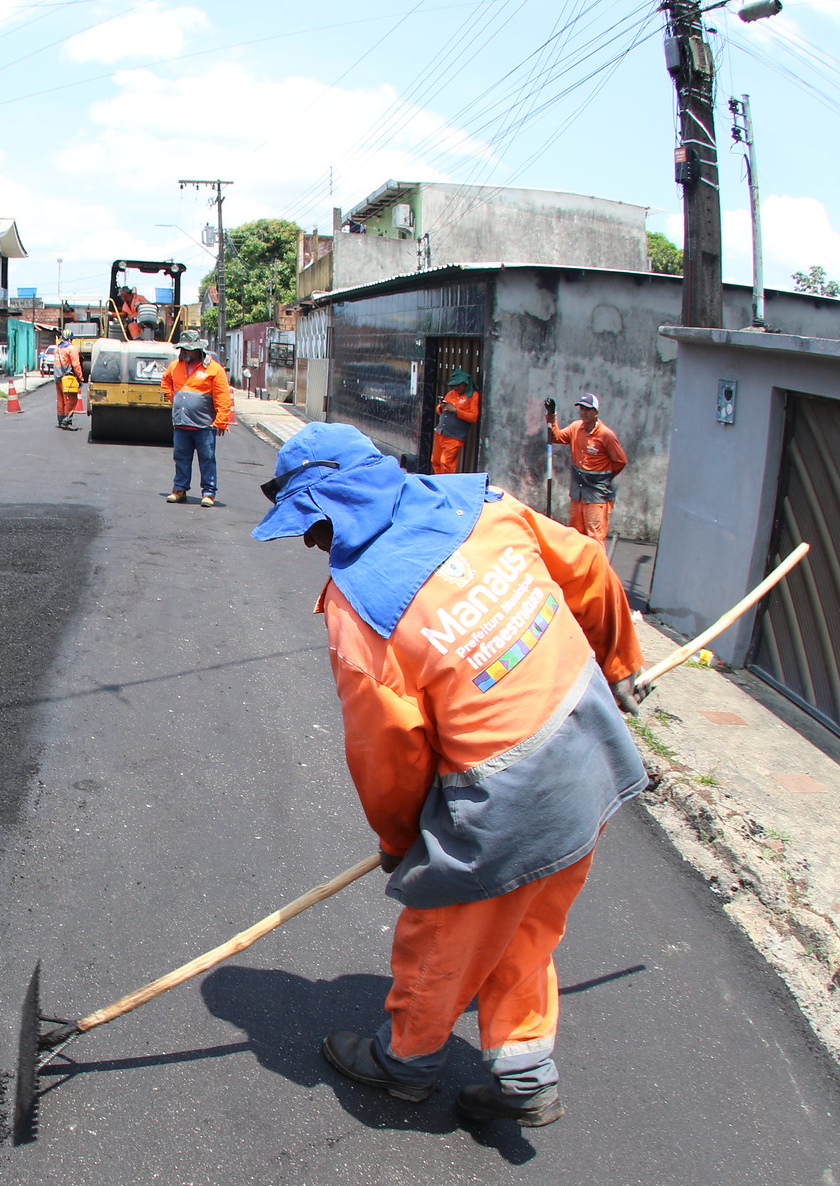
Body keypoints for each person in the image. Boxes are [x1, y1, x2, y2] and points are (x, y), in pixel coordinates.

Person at [252, 421, 647, 1127]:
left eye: (312, 522)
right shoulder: (485, 505)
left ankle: (403, 1062)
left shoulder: (360, 608)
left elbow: (388, 752)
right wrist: (620, 666)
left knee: (444, 925)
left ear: (338, 504)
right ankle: (524, 1070)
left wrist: (405, 844)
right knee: (526, 915)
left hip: (511, 789)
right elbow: (586, 565)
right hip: (591, 747)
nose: (312, 543)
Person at [162, 332, 233, 507]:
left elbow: (222, 396)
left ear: (198, 349)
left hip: (204, 425)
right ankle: (179, 489)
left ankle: (208, 492)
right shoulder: (175, 366)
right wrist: (176, 399)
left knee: (207, 458)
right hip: (181, 423)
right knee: (181, 458)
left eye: (189, 349)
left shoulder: (214, 369)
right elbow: (165, 382)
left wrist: (221, 420)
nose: (185, 352)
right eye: (183, 348)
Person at [546, 392, 627, 541]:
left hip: (596, 493)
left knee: (594, 535)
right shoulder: (576, 427)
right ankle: (577, 564)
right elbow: (556, 437)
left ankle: (596, 565)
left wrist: (602, 477)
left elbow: (620, 461)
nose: (584, 412)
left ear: (596, 412)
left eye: (588, 409)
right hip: (578, 491)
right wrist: (551, 415)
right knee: (575, 533)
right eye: (582, 409)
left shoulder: (606, 435)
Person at [429, 366, 480, 475]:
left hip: (454, 436)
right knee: (435, 460)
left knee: (446, 463)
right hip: (441, 432)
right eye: (455, 385)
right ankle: (438, 482)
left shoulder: (473, 396)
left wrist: (456, 410)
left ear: (465, 384)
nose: (456, 388)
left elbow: (473, 417)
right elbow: (439, 409)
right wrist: (441, 407)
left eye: (459, 385)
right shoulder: (451, 394)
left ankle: (446, 485)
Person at [55, 340, 83, 431]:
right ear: (71, 339)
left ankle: (61, 420)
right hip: (68, 378)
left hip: (58, 378)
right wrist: (80, 377)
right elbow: (76, 364)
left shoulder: (57, 349)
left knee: (61, 400)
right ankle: (67, 421)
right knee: (71, 400)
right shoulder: (72, 349)